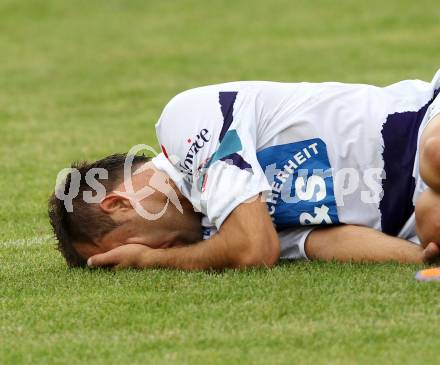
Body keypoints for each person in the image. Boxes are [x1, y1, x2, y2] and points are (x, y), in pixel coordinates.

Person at [48, 70, 440, 270]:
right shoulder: (218, 231)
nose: (142, 253)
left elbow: (255, 249)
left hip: (426, 122)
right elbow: (327, 241)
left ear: (118, 203)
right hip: (421, 201)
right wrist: (418, 257)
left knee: (435, 157)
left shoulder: (183, 123)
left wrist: (149, 261)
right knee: (433, 221)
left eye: (129, 246)